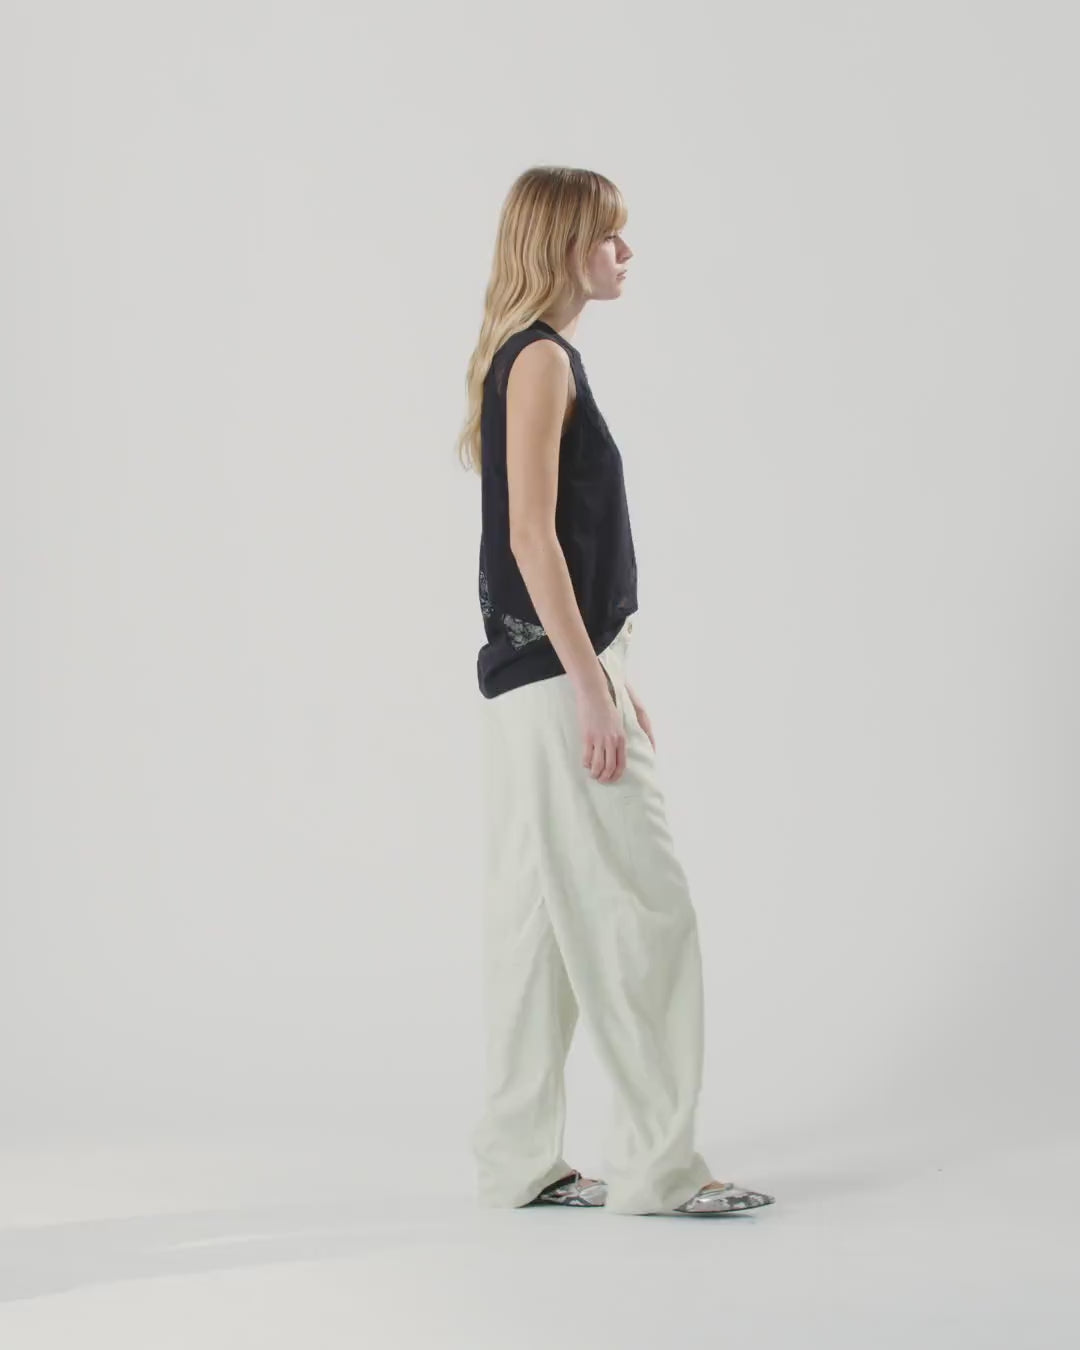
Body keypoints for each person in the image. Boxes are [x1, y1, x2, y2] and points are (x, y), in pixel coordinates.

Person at [456, 166, 775, 1218]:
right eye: (608, 238)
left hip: (529, 682)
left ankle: (518, 1162)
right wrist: (595, 685)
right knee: (647, 911)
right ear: (563, 247)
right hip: (556, 681)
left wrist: (605, 677)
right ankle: (659, 1169)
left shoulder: (521, 356)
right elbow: (530, 537)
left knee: (537, 925)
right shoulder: (543, 359)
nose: (625, 255)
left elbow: (528, 539)